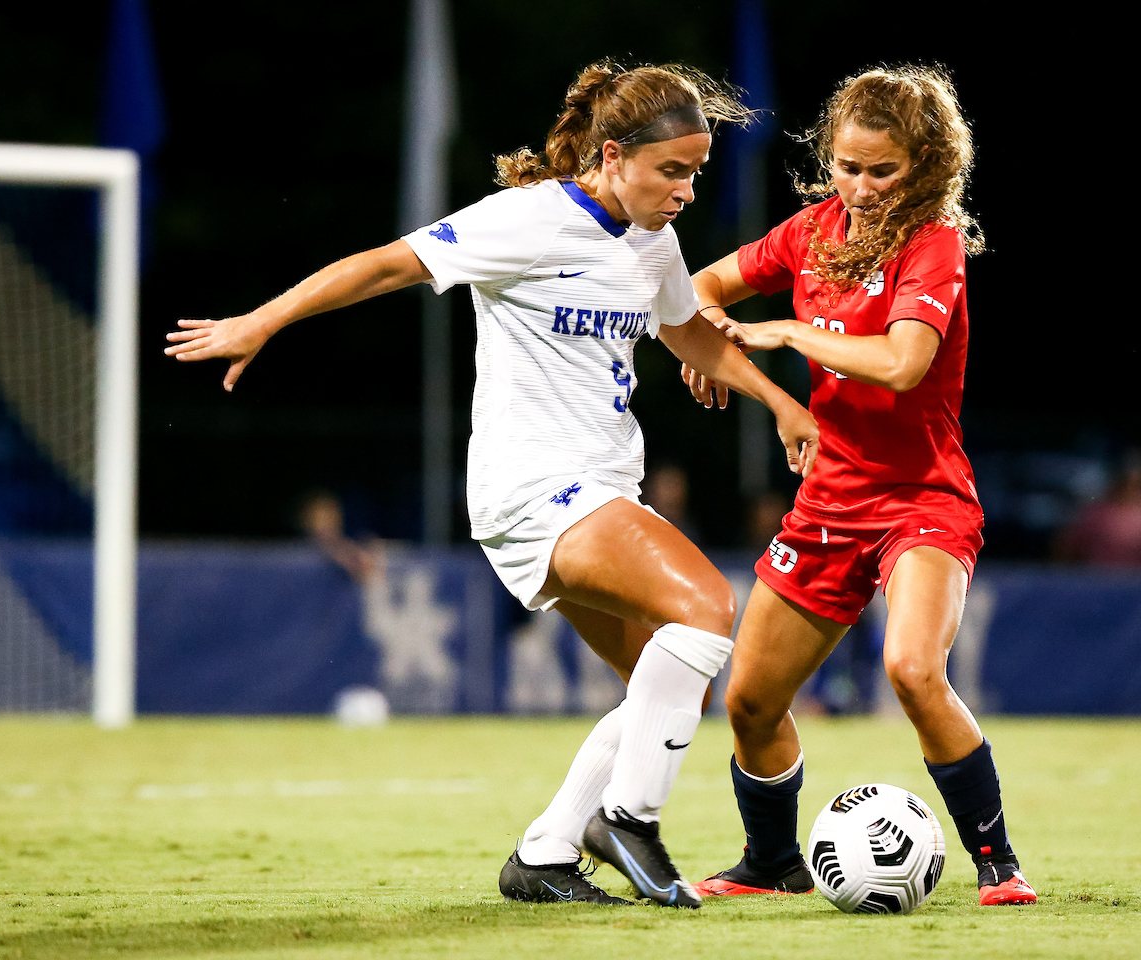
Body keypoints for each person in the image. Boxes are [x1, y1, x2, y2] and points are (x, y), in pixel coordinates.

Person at [165, 60, 819, 908]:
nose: (687, 190)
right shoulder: (528, 220)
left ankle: (545, 855)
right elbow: (383, 265)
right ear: (613, 154)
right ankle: (630, 818)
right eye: (673, 171)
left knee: (667, 679)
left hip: (602, 490)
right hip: (536, 487)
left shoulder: (653, 238)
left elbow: (686, 328)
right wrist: (266, 318)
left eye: (694, 172)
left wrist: (776, 402)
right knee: (706, 610)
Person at [682, 65, 1037, 906]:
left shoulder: (932, 244)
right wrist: (740, 377)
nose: (862, 186)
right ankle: (769, 863)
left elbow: (904, 364)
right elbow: (695, 291)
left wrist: (791, 332)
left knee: (913, 669)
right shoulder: (812, 231)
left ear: (927, 164)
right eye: (847, 166)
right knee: (751, 701)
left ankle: (999, 863)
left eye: (884, 171)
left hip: (924, 500)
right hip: (830, 501)